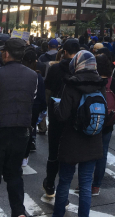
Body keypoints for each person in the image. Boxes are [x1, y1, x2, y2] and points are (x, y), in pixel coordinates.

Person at [0, 38, 38, 217]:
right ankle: (19, 211)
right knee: (14, 174)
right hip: (21, 131)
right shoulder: (33, 76)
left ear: (5, 54)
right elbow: (32, 98)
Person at [52, 51, 104, 217]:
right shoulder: (100, 83)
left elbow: (62, 115)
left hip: (71, 141)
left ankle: (58, 214)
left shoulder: (71, 85)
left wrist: (55, 106)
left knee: (64, 182)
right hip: (93, 140)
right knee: (86, 184)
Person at [42, 38, 80, 198]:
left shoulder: (55, 68)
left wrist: (48, 108)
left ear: (63, 51)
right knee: (70, 150)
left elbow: (48, 92)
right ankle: (64, 184)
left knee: (54, 150)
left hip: (56, 114)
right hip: (75, 116)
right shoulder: (81, 69)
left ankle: (50, 184)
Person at [90, 54, 115, 195]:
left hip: (91, 121)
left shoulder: (91, 80)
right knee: (103, 153)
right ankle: (96, 186)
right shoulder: (112, 81)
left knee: (88, 152)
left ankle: (86, 182)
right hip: (108, 121)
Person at [20, 49, 47, 167]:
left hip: (20, 105)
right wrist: (43, 108)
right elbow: (42, 95)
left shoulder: (19, 73)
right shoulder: (37, 76)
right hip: (34, 107)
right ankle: (25, 157)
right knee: (30, 130)